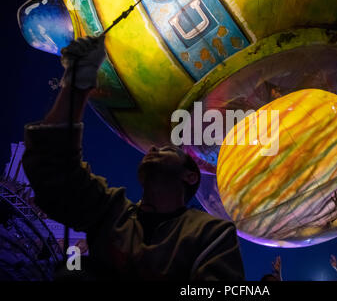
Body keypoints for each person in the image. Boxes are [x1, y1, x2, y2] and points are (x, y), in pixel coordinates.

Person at [22, 36, 245, 281]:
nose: (151, 150)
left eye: (166, 150)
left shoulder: (212, 233)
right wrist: (77, 85)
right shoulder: (111, 211)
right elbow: (53, 169)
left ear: (190, 176)